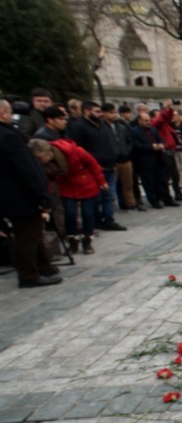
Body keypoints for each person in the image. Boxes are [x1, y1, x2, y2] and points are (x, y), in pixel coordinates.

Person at [1, 99, 61, 287]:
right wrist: (41, 194)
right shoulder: (8, 136)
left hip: (11, 194)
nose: (12, 115)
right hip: (19, 194)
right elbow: (26, 168)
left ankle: (44, 266)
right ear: (3, 113)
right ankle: (28, 275)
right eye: (9, 112)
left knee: (33, 232)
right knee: (26, 235)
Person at [45, 134, 109, 255]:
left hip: (86, 183)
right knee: (70, 214)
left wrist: (102, 182)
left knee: (88, 213)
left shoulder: (76, 151)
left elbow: (93, 164)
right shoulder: (48, 162)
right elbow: (47, 177)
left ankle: (87, 241)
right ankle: (72, 241)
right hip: (66, 185)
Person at [68, 101, 127, 232]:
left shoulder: (103, 125)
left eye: (100, 111)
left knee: (109, 195)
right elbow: (78, 149)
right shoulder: (79, 127)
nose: (100, 114)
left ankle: (108, 220)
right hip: (94, 168)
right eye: (97, 111)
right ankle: (95, 221)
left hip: (110, 165)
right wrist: (92, 164)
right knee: (95, 197)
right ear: (86, 111)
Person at [130, 112, 178, 209]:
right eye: (146, 121)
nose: (148, 122)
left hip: (159, 159)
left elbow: (159, 139)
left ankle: (167, 199)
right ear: (139, 121)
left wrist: (161, 144)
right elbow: (135, 146)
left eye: (149, 120)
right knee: (149, 182)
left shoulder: (153, 129)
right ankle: (154, 201)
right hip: (145, 161)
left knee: (163, 181)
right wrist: (151, 147)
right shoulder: (134, 131)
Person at [108, 104, 141, 212]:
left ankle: (130, 204)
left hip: (125, 158)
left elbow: (129, 139)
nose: (114, 115)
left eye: (114, 112)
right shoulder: (104, 128)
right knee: (113, 186)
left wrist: (127, 151)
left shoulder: (122, 127)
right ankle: (113, 207)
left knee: (128, 184)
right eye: (111, 113)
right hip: (113, 160)